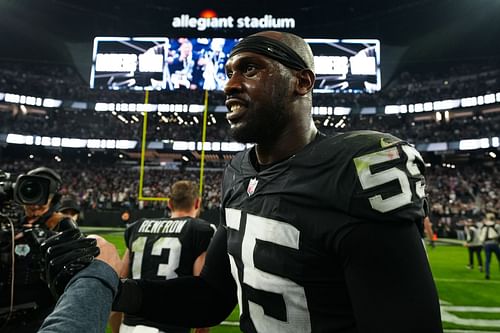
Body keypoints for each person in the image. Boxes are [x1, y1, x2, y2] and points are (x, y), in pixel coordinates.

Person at [41, 31, 443, 333]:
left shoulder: (354, 169)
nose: (230, 85)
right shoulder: (237, 173)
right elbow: (211, 297)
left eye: (250, 69)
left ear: (302, 82)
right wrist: (112, 286)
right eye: (230, 72)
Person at [109, 180, 215, 333]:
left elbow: (118, 286)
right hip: (169, 326)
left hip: (130, 326)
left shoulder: (137, 227)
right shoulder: (199, 230)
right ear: (197, 203)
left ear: (169, 203)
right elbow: (202, 296)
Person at [0, 167, 76, 332]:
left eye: (42, 198)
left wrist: (44, 238)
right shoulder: (9, 223)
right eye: (30, 195)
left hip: (41, 315)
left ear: (53, 200)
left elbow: (72, 269)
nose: (34, 205)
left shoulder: (61, 225)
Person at [479, 213, 500, 280]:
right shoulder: (496, 225)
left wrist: (482, 243)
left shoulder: (483, 226)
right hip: (494, 243)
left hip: (486, 244)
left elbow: (481, 235)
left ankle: (487, 274)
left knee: (487, 260)